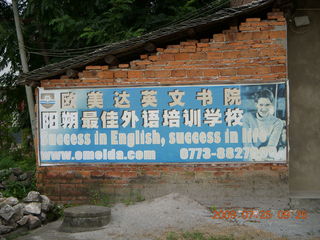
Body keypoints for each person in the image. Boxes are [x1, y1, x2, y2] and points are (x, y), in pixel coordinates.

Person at [242, 89, 283, 161]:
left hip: (267, 160)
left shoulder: (277, 122)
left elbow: (271, 146)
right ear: (256, 104)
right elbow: (247, 144)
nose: (264, 108)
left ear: (271, 104)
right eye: (261, 105)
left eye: (267, 105)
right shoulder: (247, 117)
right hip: (250, 159)